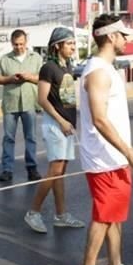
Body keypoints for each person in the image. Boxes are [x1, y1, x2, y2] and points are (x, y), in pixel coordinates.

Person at [74, 14, 133, 265]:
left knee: (115, 216)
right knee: (104, 215)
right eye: (123, 34)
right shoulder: (98, 72)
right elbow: (100, 119)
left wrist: (125, 154)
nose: (127, 39)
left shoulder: (109, 69)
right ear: (110, 37)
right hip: (103, 158)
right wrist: (129, 151)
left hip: (114, 157)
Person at [24, 27, 85, 233]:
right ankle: (33, 212)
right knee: (55, 171)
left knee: (61, 172)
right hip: (55, 125)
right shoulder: (48, 68)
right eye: (69, 44)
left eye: (73, 44)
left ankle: (61, 215)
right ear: (57, 46)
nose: (73, 48)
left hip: (66, 125)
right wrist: (60, 121)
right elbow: (42, 99)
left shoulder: (67, 66)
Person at [0, 30, 43, 183]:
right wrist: (10, 78)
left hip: (29, 102)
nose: (19, 47)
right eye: (16, 44)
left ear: (26, 42)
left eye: (21, 44)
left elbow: (42, 78)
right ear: (11, 43)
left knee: (31, 137)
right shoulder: (5, 59)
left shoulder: (36, 58)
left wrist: (29, 77)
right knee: (8, 138)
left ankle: (32, 168)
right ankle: (7, 169)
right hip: (11, 104)